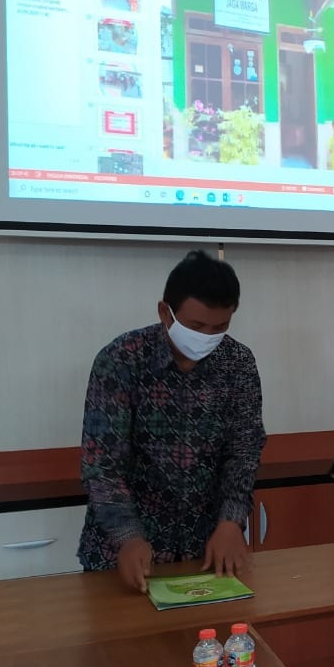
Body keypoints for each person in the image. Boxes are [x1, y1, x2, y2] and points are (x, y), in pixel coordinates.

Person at [77, 250, 266, 593]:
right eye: (196, 326)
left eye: (220, 327)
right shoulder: (120, 360)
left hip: (207, 553)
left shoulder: (238, 363)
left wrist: (231, 522)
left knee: (213, 646)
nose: (207, 336)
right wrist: (128, 537)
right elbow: (102, 466)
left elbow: (244, 450)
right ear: (165, 312)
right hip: (127, 558)